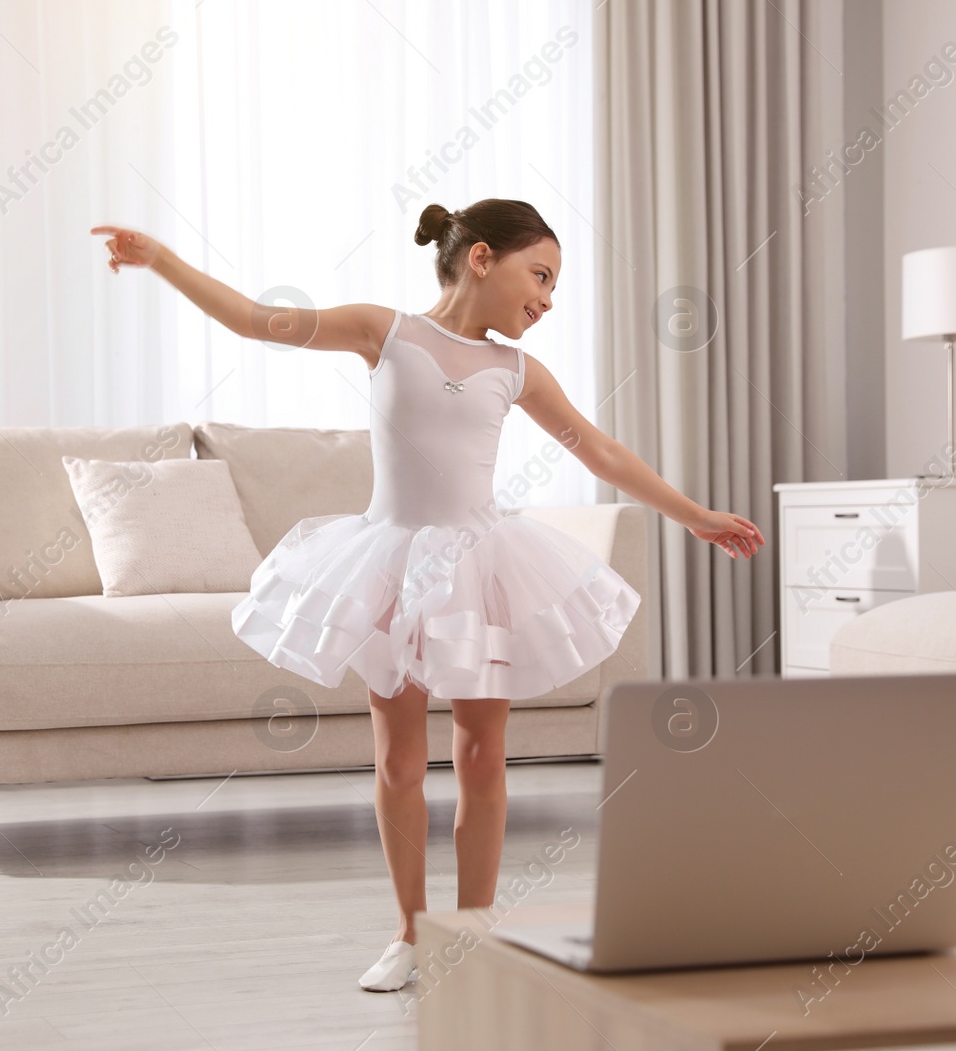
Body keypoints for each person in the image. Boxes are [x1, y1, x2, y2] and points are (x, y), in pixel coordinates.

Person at [90, 198, 763, 992]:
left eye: (555, 285)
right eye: (540, 275)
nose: (548, 298)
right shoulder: (388, 332)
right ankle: (411, 930)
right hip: (390, 564)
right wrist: (160, 258)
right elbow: (254, 320)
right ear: (481, 258)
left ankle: (471, 931)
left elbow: (603, 451)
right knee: (400, 760)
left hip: (482, 570)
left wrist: (696, 517)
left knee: (482, 754)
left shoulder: (517, 370)